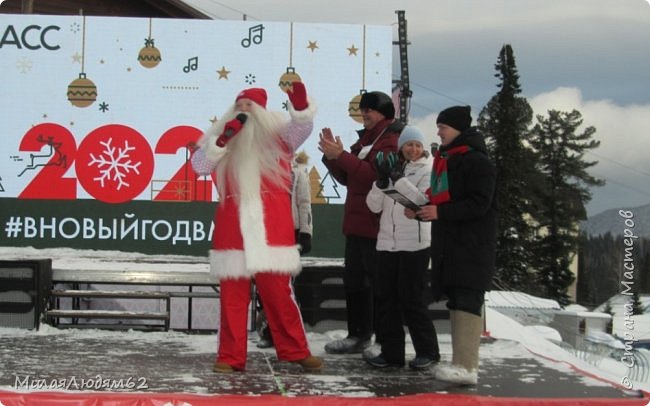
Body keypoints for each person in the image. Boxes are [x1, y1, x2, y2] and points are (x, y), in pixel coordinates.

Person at [191, 82, 322, 373]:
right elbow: (199, 167)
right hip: (232, 228)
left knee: (279, 295)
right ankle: (229, 356)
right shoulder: (221, 140)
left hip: (270, 228)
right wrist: (221, 142)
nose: (243, 110)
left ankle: (297, 350)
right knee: (232, 299)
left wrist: (300, 102)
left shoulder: (279, 138)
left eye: (249, 105)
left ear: (262, 112)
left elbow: (302, 127)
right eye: (239, 105)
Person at [408, 105, 497, 385]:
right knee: (457, 300)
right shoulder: (449, 158)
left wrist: (440, 212)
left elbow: (479, 204)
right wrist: (421, 208)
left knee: (469, 301)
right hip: (452, 245)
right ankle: (459, 362)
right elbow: (442, 197)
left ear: (457, 128)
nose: (438, 132)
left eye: (442, 127)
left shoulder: (477, 161)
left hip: (472, 247)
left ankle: (468, 366)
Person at [318, 91, 402, 354]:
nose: (364, 114)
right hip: (357, 223)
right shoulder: (367, 137)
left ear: (385, 113)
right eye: (363, 109)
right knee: (354, 282)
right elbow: (348, 178)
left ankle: (381, 339)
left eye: (370, 110)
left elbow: (373, 177)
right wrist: (332, 157)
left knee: (378, 285)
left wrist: (341, 155)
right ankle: (358, 334)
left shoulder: (390, 139)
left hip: (376, 225)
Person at [365, 126, 440, 369]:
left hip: (415, 245)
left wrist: (399, 180)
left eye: (418, 145)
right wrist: (380, 182)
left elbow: (422, 200)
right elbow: (373, 206)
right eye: (409, 145)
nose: (414, 149)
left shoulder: (429, 170)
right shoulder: (392, 168)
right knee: (387, 300)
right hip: (387, 243)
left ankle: (428, 352)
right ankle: (391, 354)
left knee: (412, 299)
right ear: (401, 148)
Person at [256, 150, 313, 349]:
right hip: (264, 233)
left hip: (290, 233)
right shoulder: (260, 167)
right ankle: (269, 331)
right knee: (266, 289)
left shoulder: (297, 170)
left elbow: (304, 203)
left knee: (285, 288)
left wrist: (305, 232)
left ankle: (287, 334)